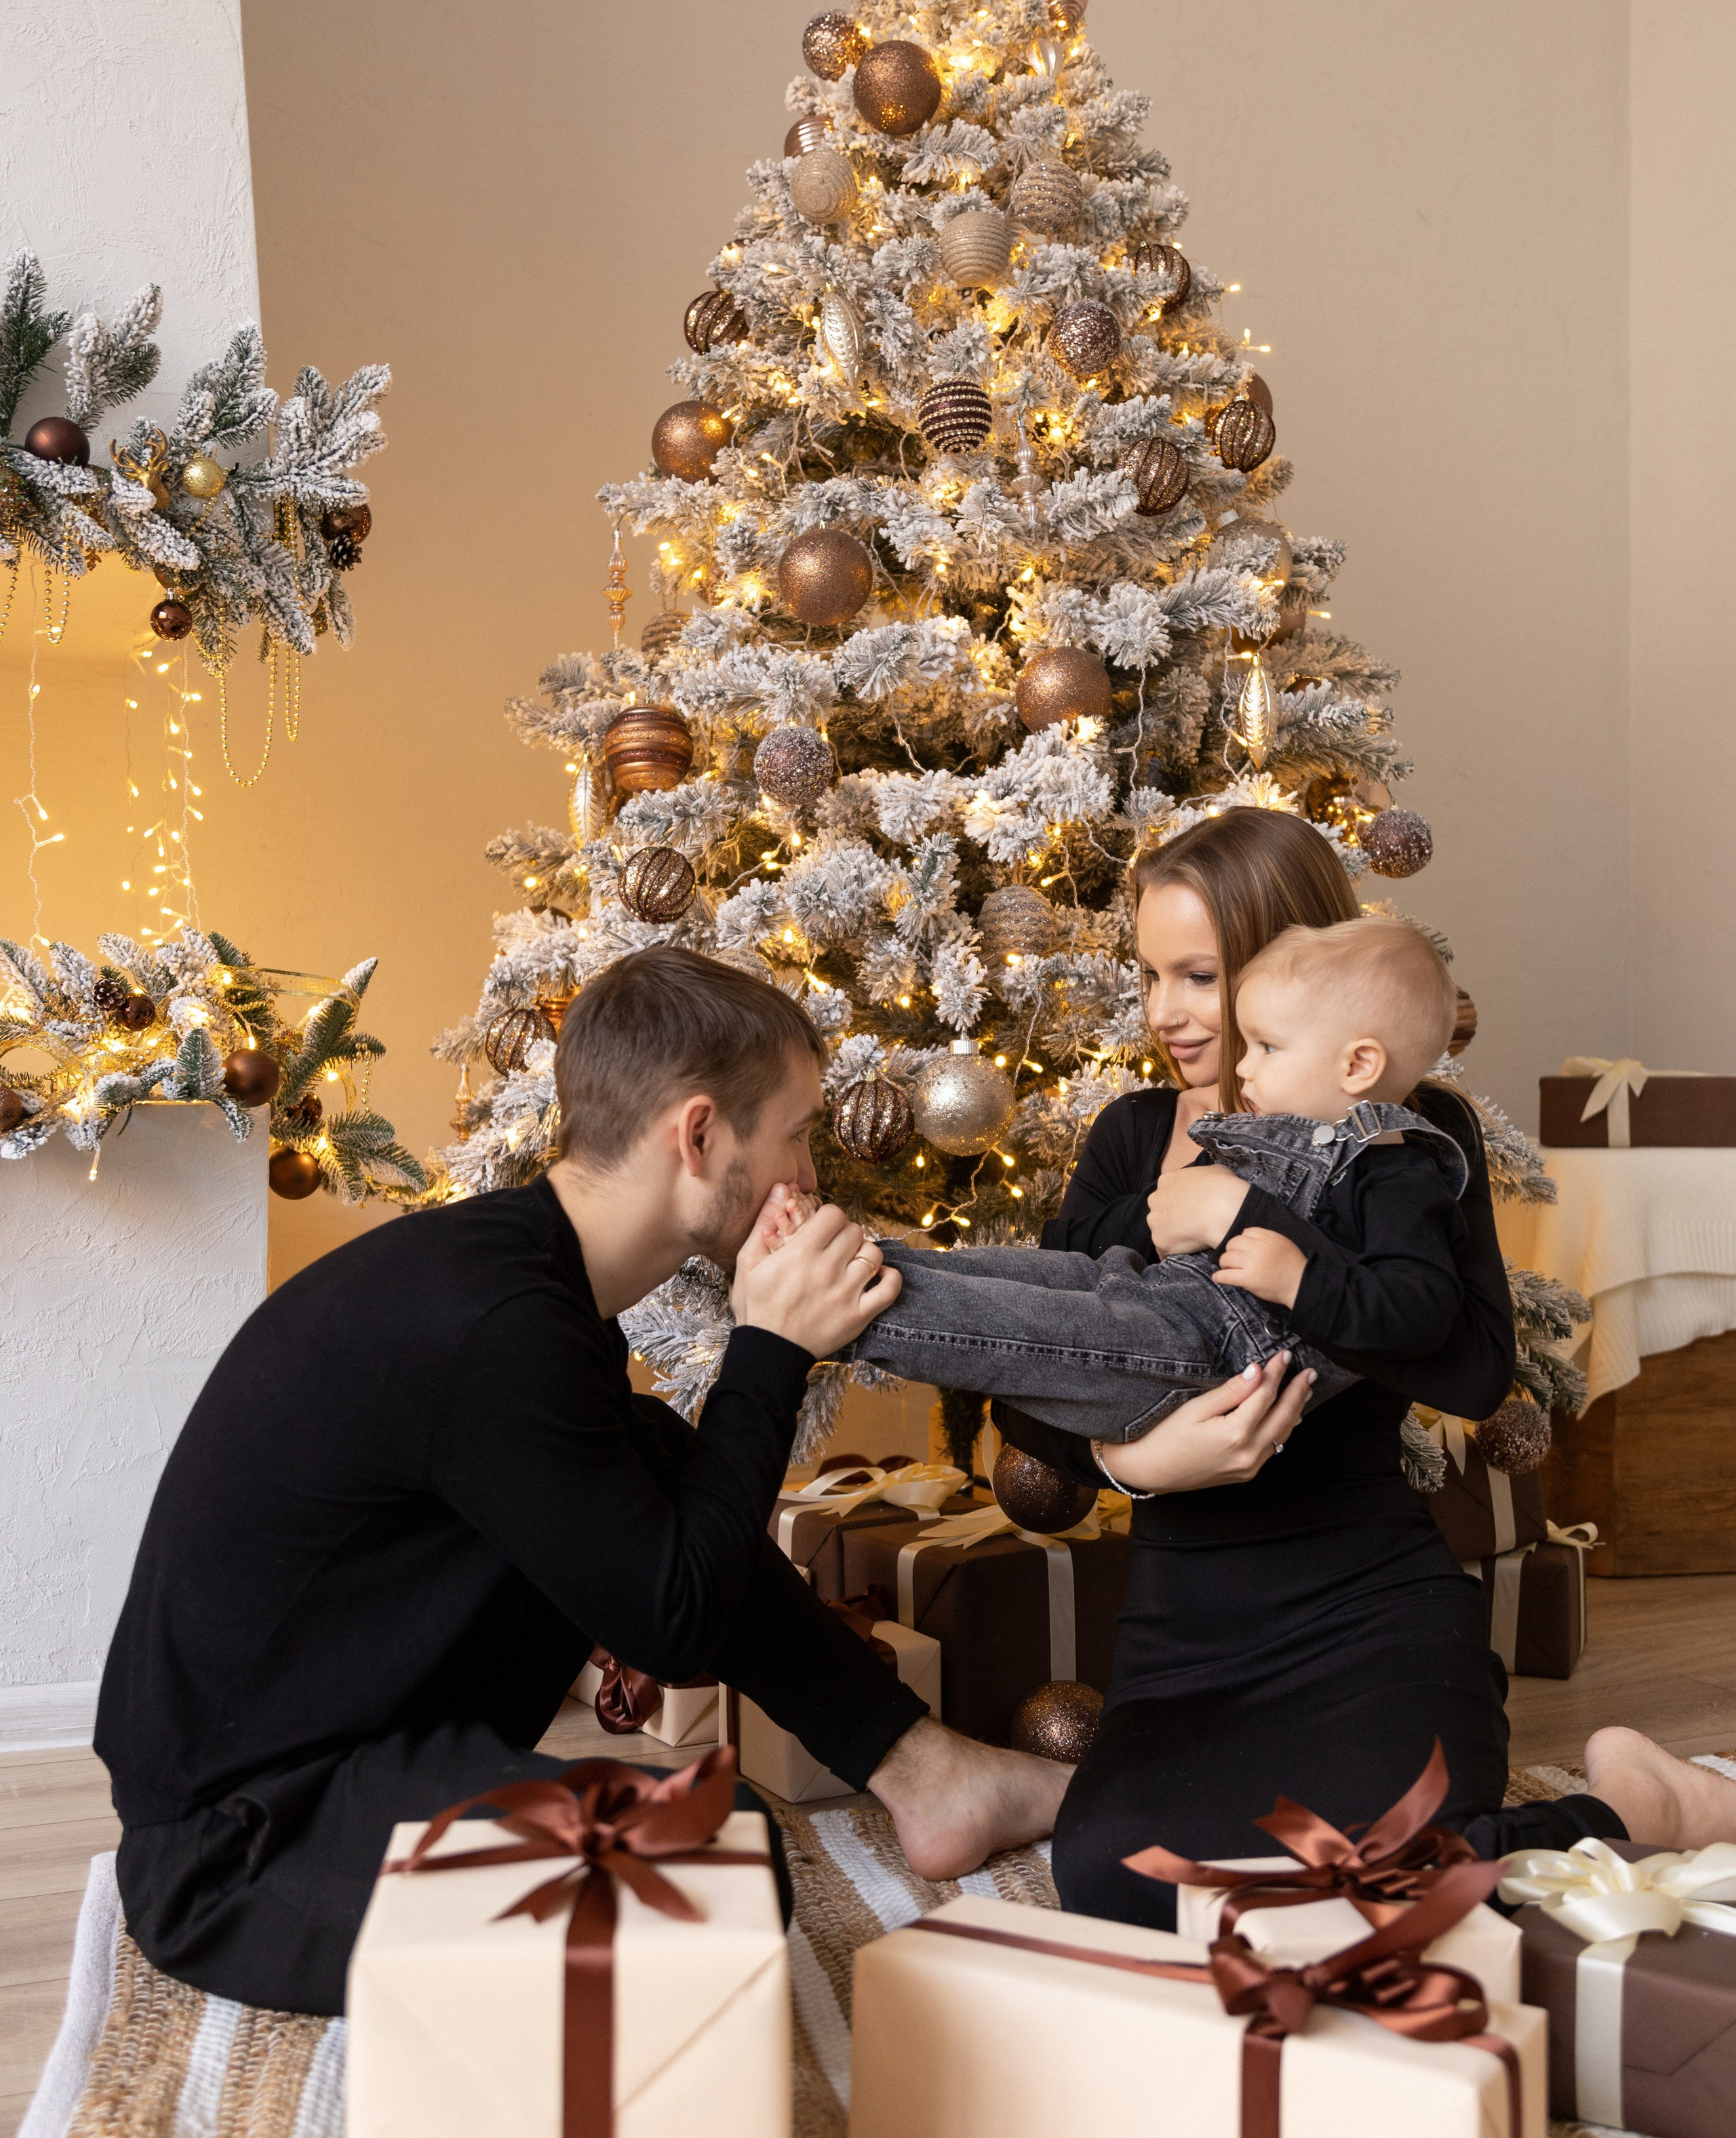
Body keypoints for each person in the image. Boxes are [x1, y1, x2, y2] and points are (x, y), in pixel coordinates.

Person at [95, 949, 1093, 2016]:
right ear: (699, 1136)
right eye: (798, 1135)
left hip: (348, 1755)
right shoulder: (494, 1326)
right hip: (246, 1844)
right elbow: (673, 1623)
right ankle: (925, 1778)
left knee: (647, 1447)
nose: (810, 1177)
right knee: (716, 1859)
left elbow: (653, 1579)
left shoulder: (523, 1281)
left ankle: (926, 1773)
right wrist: (768, 1351)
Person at [891, 808, 1736, 1925]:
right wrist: (1143, 1462)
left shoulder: (1401, 1130)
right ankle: (1617, 1815)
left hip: (1370, 1603)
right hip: (1188, 1635)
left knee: (1392, 1862)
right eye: (1150, 974)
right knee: (1113, 1879)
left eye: (1199, 975)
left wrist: (1252, 1219)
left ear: (1285, 961)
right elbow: (1040, 1395)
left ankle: (1634, 1807)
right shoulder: (1132, 1140)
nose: (1165, 1012)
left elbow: (1474, 1371)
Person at [841, 914, 1476, 1444]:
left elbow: (1422, 1312)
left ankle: (843, 1310)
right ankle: (851, 1262)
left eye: (1267, 1047)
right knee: (1022, 1274)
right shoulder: (1251, 1132)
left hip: (1206, 1347)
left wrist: (1300, 1279)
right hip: (1155, 1289)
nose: (1244, 1067)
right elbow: (1107, 1239)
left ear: (1358, 1065)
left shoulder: (1400, 1173)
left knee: (1024, 1325)